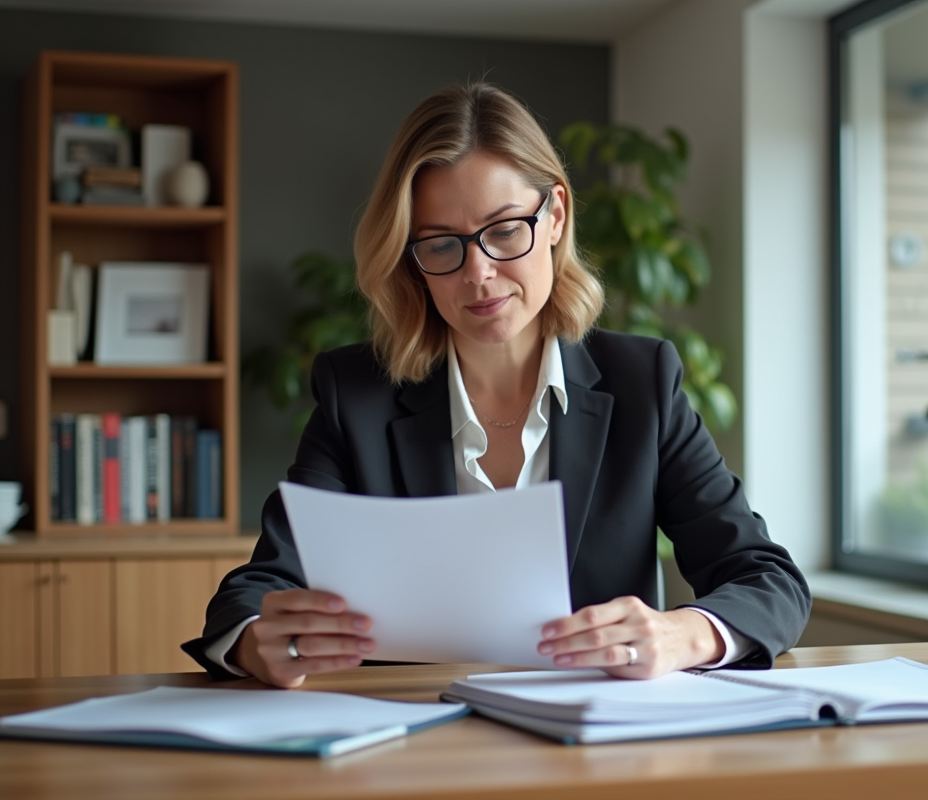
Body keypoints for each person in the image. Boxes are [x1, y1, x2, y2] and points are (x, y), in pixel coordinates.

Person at [182, 83, 809, 688]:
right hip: (418, 748)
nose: (478, 274)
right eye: (440, 245)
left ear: (556, 215)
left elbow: (767, 580)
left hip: (599, 747)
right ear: (411, 258)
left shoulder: (643, 383)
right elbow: (254, 591)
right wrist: (258, 640)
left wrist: (683, 635)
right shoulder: (357, 396)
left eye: (505, 230)